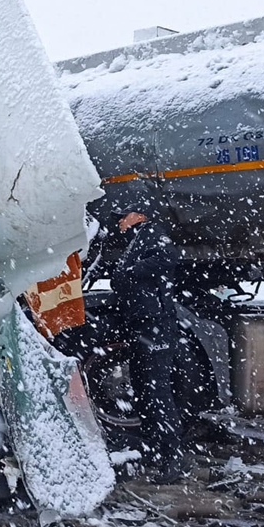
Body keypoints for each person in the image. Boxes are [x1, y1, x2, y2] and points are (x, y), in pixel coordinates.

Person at [110, 201, 187, 484]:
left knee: (157, 393)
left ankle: (173, 458)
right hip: (142, 327)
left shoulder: (153, 233)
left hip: (155, 328)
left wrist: (130, 272)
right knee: (144, 392)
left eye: (122, 215)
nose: (118, 221)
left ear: (138, 215)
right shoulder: (137, 239)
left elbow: (168, 257)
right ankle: (158, 451)